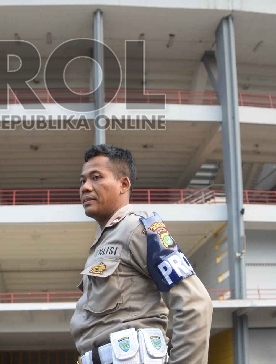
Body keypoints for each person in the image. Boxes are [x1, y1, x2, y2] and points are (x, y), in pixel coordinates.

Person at [70, 144, 213, 364]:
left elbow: (195, 304)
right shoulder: (104, 240)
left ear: (123, 184)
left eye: (96, 177)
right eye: (82, 181)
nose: (85, 187)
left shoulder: (139, 228)